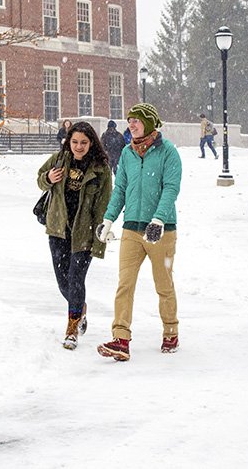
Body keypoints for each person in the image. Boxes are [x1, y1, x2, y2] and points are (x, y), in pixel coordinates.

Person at [95, 103, 182, 361]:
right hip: (132, 228)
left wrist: (158, 220)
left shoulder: (168, 152)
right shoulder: (127, 153)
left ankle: (170, 330)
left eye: (137, 120)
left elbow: (171, 189)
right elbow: (120, 189)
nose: (131, 124)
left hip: (161, 231)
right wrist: (109, 220)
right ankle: (121, 338)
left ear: (150, 123)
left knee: (163, 284)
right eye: (129, 120)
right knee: (125, 284)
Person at [37, 121, 114, 349]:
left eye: (83, 142)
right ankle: (80, 309)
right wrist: (48, 178)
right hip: (58, 229)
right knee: (63, 283)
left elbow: (103, 204)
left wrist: (101, 234)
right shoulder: (59, 160)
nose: (78, 147)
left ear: (92, 143)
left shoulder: (100, 170)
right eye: (74, 142)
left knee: (76, 280)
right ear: (68, 142)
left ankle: (71, 329)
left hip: (84, 233)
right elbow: (40, 179)